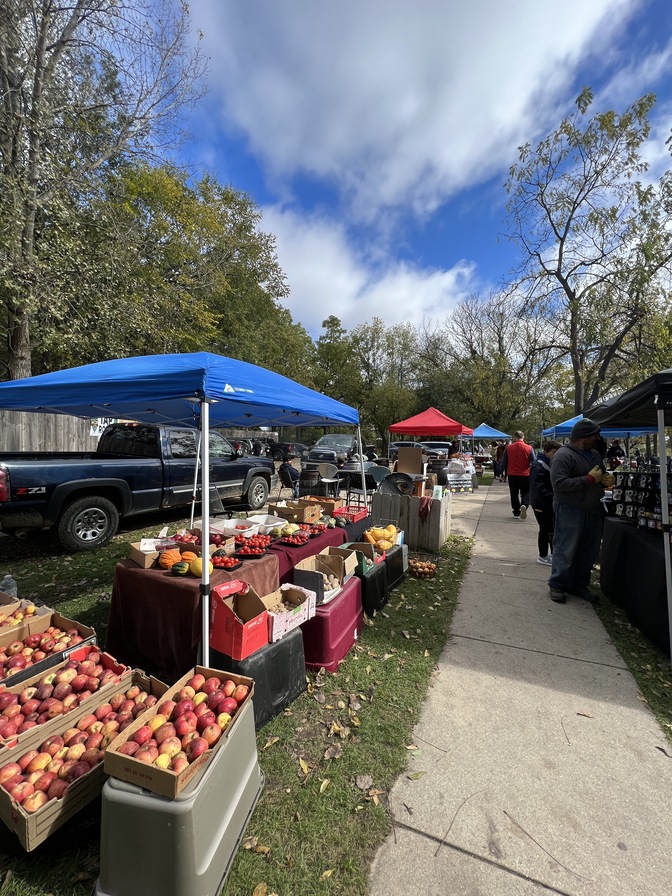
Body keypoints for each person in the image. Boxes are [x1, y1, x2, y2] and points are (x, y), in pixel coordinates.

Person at [548, 418, 605, 604]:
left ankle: (579, 585)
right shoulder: (563, 455)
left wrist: (605, 480)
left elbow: (600, 474)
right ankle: (557, 584)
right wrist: (588, 479)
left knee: (589, 550)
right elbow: (559, 484)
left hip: (593, 508)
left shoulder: (595, 454)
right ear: (584, 436)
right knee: (566, 548)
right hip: (570, 509)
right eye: (594, 435)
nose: (597, 438)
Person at [529, 440, 561, 565]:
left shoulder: (548, 464)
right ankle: (543, 556)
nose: (555, 455)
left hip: (547, 502)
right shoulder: (539, 466)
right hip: (541, 504)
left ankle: (551, 554)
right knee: (545, 530)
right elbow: (538, 487)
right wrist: (552, 496)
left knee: (549, 529)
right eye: (553, 452)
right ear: (546, 451)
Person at [500, 431, 535, 519]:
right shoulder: (529, 448)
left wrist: (501, 472)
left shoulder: (508, 448)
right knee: (526, 492)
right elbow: (534, 462)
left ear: (514, 437)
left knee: (514, 493)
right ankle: (524, 505)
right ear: (523, 437)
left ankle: (516, 512)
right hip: (525, 474)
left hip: (512, 474)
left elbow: (504, 461)